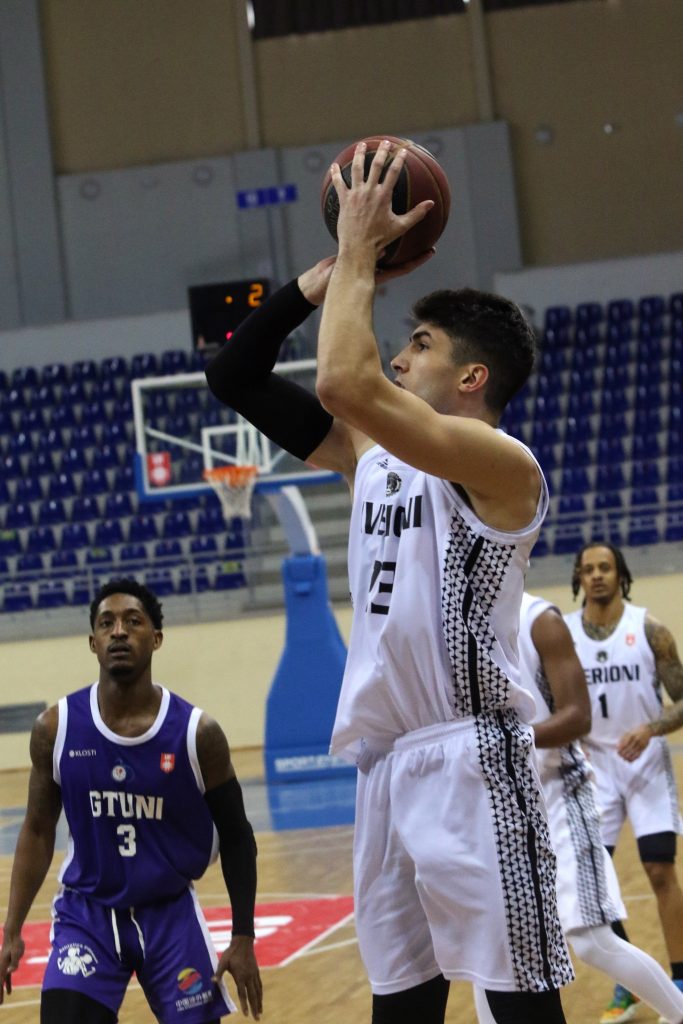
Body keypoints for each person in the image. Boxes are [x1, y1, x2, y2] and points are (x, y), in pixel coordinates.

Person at [205, 139, 573, 1023]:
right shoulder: (366, 453)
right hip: (386, 766)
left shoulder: (502, 465)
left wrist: (363, 254)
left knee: (520, 1005)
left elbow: (343, 378)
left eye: (420, 345)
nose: (400, 359)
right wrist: (320, 280)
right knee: (400, 1008)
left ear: (472, 377)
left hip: (476, 758)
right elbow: (233, 374)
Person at [0, 578, 262, 1023]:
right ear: (93, 642)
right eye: (107, 623)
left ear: (156, 638)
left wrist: (243, 937)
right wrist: (12, 929)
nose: (118, 631)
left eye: (132, 621)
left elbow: (237, 837)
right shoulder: (56, 729)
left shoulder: (197, 734)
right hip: (88, 914)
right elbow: (38, 830)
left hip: (170, 914)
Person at [473, 592, 683, 1024]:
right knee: (491, 948)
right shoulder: (456, 620)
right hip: (501, 799)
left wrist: (507, 740)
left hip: (566, 789)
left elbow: (576, 717)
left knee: (593, 938)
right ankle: (630, 993)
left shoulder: (540, 618)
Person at [565, 542, 683, 1024]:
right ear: (578, 577)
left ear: (621, 574)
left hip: (646, 764)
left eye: (605, 567)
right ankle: (631, 984)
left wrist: (650, 728)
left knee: (659, 871)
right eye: (588, 569)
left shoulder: (650, 629)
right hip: (593, 770)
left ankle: (679, 982)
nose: (597, 575)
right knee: (594, 883)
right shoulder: (562, 634)